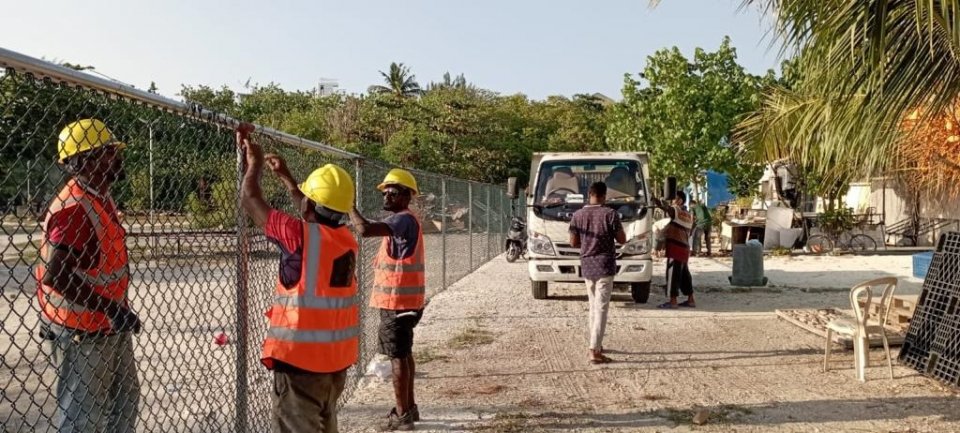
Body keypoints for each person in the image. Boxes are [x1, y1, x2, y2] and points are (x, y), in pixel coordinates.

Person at [237, 124, 359, 433]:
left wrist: (254, 164)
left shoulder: (297, 235)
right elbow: (315, 213)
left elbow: (250, 199)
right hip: (334, 363)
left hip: (301, 364)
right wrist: (288, 178)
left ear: (308, 204)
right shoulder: (345, 239)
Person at [36, 119, 140, 432]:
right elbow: (57, 276)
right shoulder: (75, 209)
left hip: (106, 325)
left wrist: (116, 312)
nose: (117, 157)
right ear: (84, 161)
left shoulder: (99, 196)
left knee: (124, 402)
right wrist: (112, 309)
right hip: (82, 333)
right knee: (84, 420)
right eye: (108, 152)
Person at [349, 169, 425, 431]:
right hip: (405, 302)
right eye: (385, 191)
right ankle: (410, 409)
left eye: (393, 192)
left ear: (406, 196)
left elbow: (365, 229)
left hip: (398, 303)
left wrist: (348, 205)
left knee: (398, 356)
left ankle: (402, 416)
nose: (387, 195)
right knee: (404, 354)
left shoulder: (403, 220)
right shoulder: (402, 221)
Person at [569, 182, 626, 364]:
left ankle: (596, 343)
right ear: (604, 195)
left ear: (590, 194)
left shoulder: (578, 215)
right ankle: (594, 350)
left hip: (587, 265)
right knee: (601, 307)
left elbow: (572, 242)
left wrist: (587, 243)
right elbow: (622, 239)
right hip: (605, 265)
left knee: (593, 306)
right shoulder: (610, 214)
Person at [653, 190, 696, 309]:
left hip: (675, 246)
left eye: (675, 199)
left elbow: (666, 208)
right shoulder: (689, 215)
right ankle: (690, 299)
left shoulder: (676, 211)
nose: (673, 201)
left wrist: (656, 200)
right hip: (685, 247)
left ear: (680, 200)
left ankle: (673, 301)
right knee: (684, 275)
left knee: (673, 274)